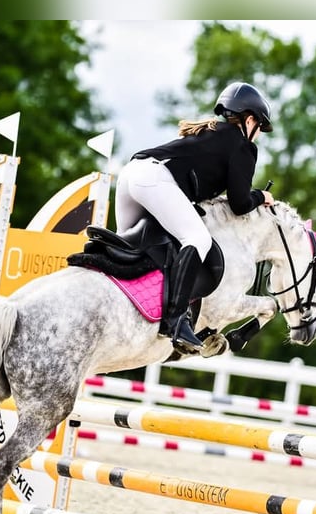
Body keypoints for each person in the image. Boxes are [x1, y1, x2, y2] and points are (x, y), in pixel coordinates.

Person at [114, 81, 275, 352]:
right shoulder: (242, 145)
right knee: (198, 238)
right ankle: (176, 320)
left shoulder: (211, 132)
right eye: (260, 128)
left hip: (131, 174)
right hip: (154, 180)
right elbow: (239, 203)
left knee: (127, 249)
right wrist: (262, 197)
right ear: (250, 120)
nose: (258, 135)